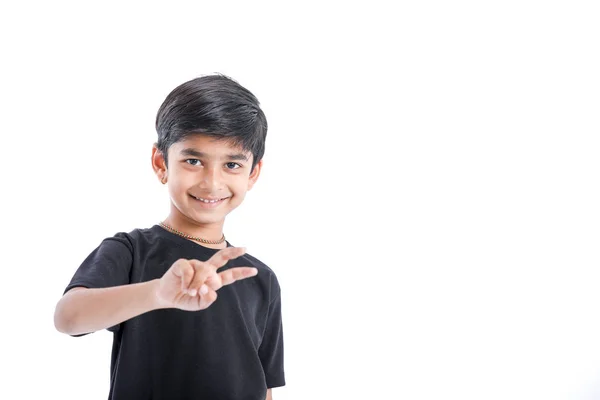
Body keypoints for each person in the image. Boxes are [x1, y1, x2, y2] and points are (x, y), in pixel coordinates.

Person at [54, 74, 285, 400]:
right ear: (161, 163)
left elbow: (264, 388)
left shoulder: (262, 279)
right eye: (193, 161)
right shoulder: (131, 251)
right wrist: (158, 294)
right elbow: (69, 317)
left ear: (253, 174)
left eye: (232, 164)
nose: (212, 183)